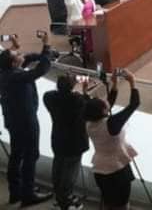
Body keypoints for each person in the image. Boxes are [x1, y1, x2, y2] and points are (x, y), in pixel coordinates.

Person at [0, 30, 52, 207]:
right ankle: (28, 194)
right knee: (31, 155)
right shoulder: (17, 76)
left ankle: (16, 192)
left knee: (17, 155)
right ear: (14, 63)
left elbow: (27, 58)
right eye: (17, 54)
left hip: (13, 120)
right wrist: (46, 46)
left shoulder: (5, 71)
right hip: (26, 121)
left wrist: (15, 47)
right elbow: (41, 70)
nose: (20, 53)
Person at [85, 69, 141, 210]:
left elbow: (108, 102)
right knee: (121, 205)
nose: (106, 102)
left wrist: (114, 84)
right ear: (104, 111)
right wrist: (132, 81)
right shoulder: (111, 124)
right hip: (117, 170)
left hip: (100, 169)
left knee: (108, 202)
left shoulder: (89, 122)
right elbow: (134, 104)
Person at [44, 73, 89, 210]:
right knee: (70, 173)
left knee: (58, 168)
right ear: (72, 86)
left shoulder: (49, 97)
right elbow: (86, 103)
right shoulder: (77, 100)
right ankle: (66, 201)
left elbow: (66, 94)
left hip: (58, 139)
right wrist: (85, 90)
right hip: (74, 143)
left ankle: (60, 197)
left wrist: (72, 85)